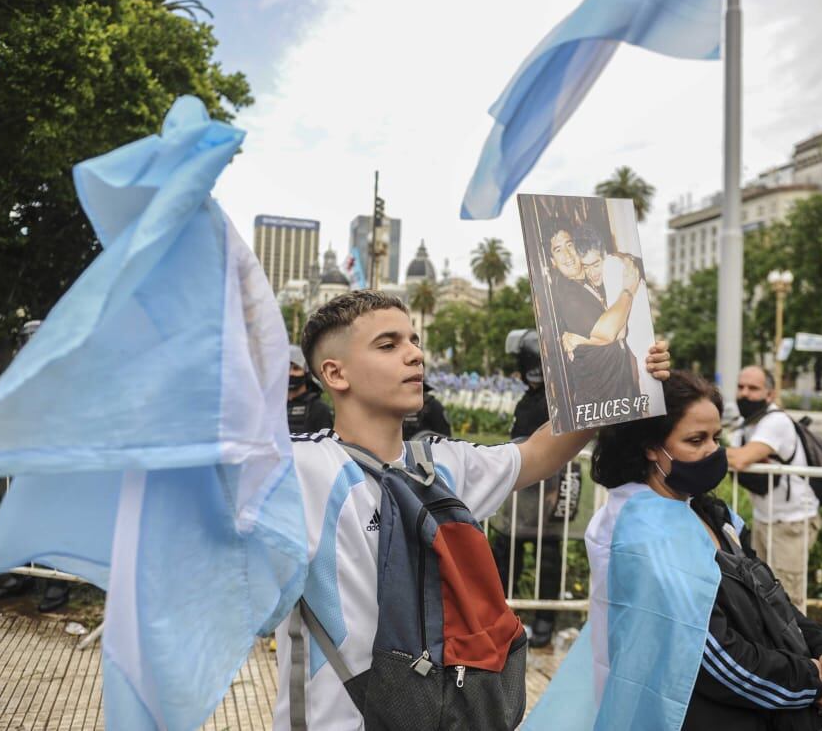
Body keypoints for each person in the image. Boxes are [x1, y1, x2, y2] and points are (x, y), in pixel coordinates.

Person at [275, 290, 671, 729]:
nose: (414, 355)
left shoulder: (441, 464)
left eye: (414, 341)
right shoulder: (301, 466)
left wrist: (623, 379)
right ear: (335, 373)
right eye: (388, 345)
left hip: (440, 712)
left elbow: (537, 453)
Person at [529, 371, 822, 730]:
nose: (713, 451)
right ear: (652, 447)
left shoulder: (707, 511)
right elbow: (708, 652)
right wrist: (811, 680)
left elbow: (772, 599)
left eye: (716, 437)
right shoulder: (644, 533)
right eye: (695, 440)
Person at [490, 329, 580, 648]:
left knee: (547, 556)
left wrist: (554, 497)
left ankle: (543, 622)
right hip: (523, 494)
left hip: (547, 491)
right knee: (509, 551)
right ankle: (508, 614)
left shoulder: (553, 400)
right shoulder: (531, 398)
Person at [0, 319, 70, 612]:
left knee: (53, 520)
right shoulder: (19, 372)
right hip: (20, 456)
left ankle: (56, 581)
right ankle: (21, 576)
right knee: (17, 516)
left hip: (51, 458)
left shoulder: (63, 372)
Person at [727, 365, 822, 609]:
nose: (744, 394)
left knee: (789, 599)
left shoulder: (775, 421)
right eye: (740, 387)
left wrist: (701, 449)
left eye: (753, 388)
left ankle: (796, 648)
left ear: (770, 394)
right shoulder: (746, 423)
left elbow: (738, 459)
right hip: (765, 519)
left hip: (791, 523)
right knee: (763, 593)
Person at [546, 228, 638, 419]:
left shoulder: (592, 281)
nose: (568, 255)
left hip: (618, 394)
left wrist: (624, 258)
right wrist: (628, 290)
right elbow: (611, 332)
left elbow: (617, 329)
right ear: (553, 262)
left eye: (569, 245)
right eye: (558, 250)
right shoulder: (568, 293)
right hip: (600, 402)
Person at [287, 344, 334, 434]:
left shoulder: (318, 409)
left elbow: (327, 445)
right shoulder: (275, 406)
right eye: (286, 368)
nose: (290, 373)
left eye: (296, 368)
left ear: (306, 373)